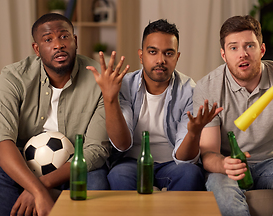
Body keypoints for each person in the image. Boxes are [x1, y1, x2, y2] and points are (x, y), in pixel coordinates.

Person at [193, 15, 273, 216]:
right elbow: (209, 153)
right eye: (233, 48)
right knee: (218, 184)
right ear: (223, 54)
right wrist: (223, 164)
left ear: (262, 49)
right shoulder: (208, 87)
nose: (242, 54)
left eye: (249, 46)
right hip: (231, 166)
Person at [0, 13, 111, 216]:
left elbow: (95, 150)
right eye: (48, 39)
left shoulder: (99, 78)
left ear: (75, 41)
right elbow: (0, 141)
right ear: (37, 49)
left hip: (74, 165)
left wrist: (40, 186)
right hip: (22, 164)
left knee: (97, 182)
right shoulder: (13, 77)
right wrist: (38, 190)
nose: (58, 45)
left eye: (64, 37)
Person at [87, 19, 222, 191]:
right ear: (141, 55)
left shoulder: (190, 90)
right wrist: (110, 99)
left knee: (191, 173)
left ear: (177, 57)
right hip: (131, 162)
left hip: (172, 162)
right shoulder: (124, 85)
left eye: (168, 53)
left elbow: (184, 159)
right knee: (118, 175)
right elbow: (121, 144)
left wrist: (194, 133)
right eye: (153, 52)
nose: (160, 60)